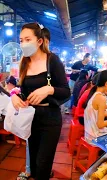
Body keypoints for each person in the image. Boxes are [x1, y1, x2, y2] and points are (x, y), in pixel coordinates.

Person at [12, 23, 70, 180]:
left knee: (43, 162)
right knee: (34, 162)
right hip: (31, 118)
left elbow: (66, 92)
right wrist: (15, 97)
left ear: (39, 41)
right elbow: (22, 91)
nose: (23, 43)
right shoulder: (24, 62)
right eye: (21, 40)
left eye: (27, 39)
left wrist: (49, 89)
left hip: (50, 118)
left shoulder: (52, 60)